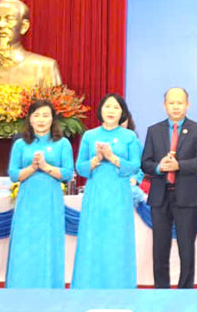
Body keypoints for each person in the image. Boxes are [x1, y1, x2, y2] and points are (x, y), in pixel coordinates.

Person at [71, 93, 142, 288]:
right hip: (95, 194)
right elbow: (80, 168)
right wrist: (96, 160)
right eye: (107, 106)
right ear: (101, 110)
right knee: (93, 236)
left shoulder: (129, 136)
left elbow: (135, 166)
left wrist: (112, 157)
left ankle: (120, 285)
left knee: (117, 238)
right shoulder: (90, 135)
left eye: (116, 107)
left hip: (119, 194)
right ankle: (88, 284)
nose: (111, 111)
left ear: (122, 113)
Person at [141, 87, 197, 288]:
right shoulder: (154, 130)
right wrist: (160, 167)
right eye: (171, 102)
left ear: (187, 105)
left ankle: (184, 291)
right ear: (164, 106)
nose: (176, 106)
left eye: (180, 102)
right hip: (159, 197)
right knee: (159, 249)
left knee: (186, 249)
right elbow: (145, 163)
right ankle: (161, 291)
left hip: (185, 197)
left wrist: (179, 165)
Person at [5, 100, 74, 288]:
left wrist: (45, 167)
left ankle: (49, 286)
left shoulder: (62, 143)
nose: (41, 120)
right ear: (30, 120)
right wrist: (33, 167)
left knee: (49, 242)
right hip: (27, 200)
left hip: (50, 200)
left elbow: (67, 173)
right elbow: (13, 174)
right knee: (25, 242)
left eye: (45, 115)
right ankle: (20, 286)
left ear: (53, 119)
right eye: (36, 115)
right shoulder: (20, 144)